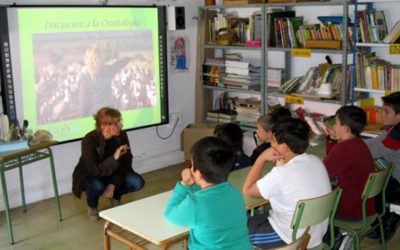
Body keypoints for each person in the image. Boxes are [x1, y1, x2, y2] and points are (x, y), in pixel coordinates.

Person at [243, 118, 331, 249]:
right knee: (245, 221)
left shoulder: (281, 175)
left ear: (284, 147)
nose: (271, 144)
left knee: (236, 232)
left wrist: (261, 159)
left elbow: (248, 190)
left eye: (273, 141)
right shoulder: (316, 161)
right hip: (315, 233)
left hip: (292, 239)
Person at [164, 137, 251, 250]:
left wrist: (183, 185)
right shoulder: (234, 193)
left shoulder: (194, 204)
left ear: (198, 174)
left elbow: (170, 214)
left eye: (192, 164)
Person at [72, 107, 145, 220]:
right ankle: (92, 205)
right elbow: (93, 170)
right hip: (90, 174)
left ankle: (115, 196)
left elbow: (126, 163)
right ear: (103, 126)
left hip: (113, 172)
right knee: (97, 185)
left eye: (119, 122)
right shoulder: (89, 139)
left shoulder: (122, 135)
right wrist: (114, 158)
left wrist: (113, 184)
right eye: (115, 124)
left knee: (137, 182)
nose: (121, 126)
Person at [324, 106, 375, 220]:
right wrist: (333, 139)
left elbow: (323, 172)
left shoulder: (343, 149)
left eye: (336, 123)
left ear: (346, 129)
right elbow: (332, 158)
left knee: (312, 207)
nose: (334, 127)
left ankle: (335, 235)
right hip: (364, 207)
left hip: (350, 210)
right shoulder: (359, 143)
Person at [365, 91, 400, 241]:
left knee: (373, 186)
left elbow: (373, 150)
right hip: (395, 175)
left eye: (386, 111)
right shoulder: (394, 129)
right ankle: (384, 219)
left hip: (398, 181)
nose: (381, 114)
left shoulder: (397, 136)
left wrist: (351, 145)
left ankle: (388, 219)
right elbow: (378, 140)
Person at [79, 44, 132, 117]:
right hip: (108, 111)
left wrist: (82, 118)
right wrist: (128, 58)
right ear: (100, 57)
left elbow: (83, 101)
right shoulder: (107, 70)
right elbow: (117, 65)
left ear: (88, 58)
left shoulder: (85, 75)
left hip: (94, 115)